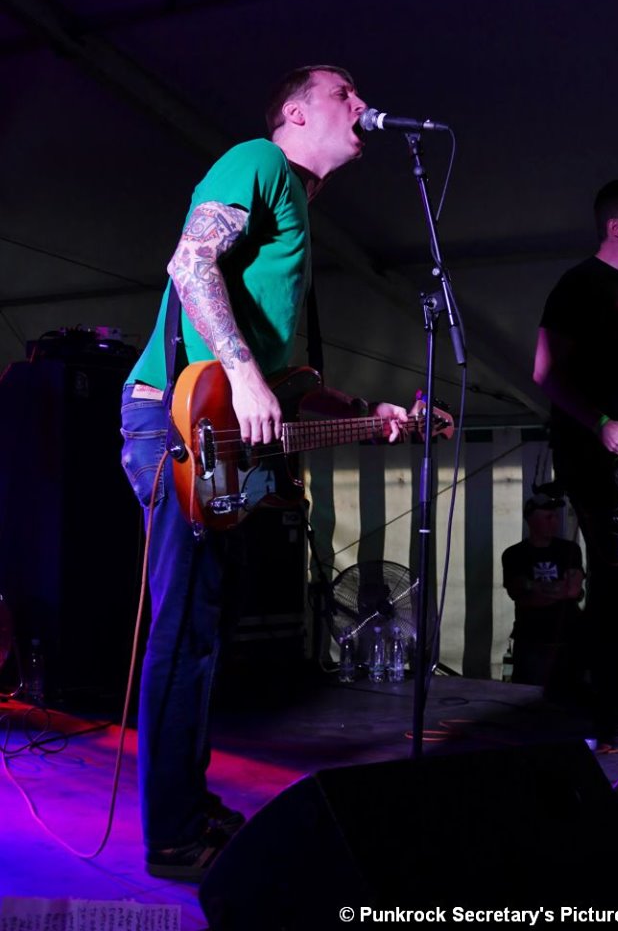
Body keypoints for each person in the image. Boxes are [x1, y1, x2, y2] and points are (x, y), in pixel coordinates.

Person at [120, 65, 414, 881]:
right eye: (343, 93)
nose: (361, 103)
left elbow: (289, 384)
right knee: (183, 631)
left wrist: (370, 413)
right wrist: (245, 376)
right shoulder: (258, 160)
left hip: (218, 426)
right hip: (176, 422)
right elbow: (191, 265)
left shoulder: (299, 213)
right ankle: (172, 837)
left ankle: (186, 804)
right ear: (294, 112)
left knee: (207, 631)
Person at [533, 178, 618, 745]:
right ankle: (609, 710)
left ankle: (579, 684)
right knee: (613, 575)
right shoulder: (579, 286)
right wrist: (600, 424)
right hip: (595, 455)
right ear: (617, 226)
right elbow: (545, 372)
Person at [501, 484, 584, 698]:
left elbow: (573, 589)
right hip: (532, 641)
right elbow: (521, 595)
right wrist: (559, 589)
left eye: (555, 516)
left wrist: (534, 586)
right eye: (548, 517)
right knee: (528, 698)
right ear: (531, 520)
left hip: (568, 638)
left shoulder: (569, 549)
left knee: (571, 697)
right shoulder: (514, 554)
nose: (554, 521)